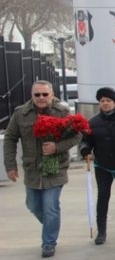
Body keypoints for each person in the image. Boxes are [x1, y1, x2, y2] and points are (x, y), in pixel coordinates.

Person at [3, 80, 82, 258]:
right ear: (32, 95)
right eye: (37, 94)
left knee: (50, 207)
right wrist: (10, 165)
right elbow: (10, 139)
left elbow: (77, 136)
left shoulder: (62, 112)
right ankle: (50, 225)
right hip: (32, 169)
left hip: (56, 168)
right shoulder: (21, 114)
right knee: (33, 205)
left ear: (51, 94)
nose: (41, 98)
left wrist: (57, 147)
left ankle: (48, 243)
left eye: (45, 94)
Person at [79, 87, 115, 245]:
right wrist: (85, 149)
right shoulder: (92, 122)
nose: (105, 103)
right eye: (102, 101)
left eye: (108, 101)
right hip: (102, 166)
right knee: (103, 197)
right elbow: (85, 140)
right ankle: (102, 231)